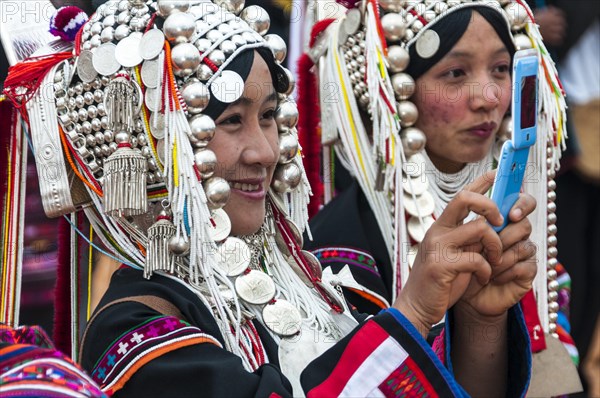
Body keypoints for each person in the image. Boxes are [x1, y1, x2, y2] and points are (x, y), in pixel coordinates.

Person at [3, 0, 535, 396]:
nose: (264, 150)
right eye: (229, 121)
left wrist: (481, 321)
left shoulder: (339, 279)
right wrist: (415, 312)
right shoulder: (139, 333)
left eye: (267, 116)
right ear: (147, 148)